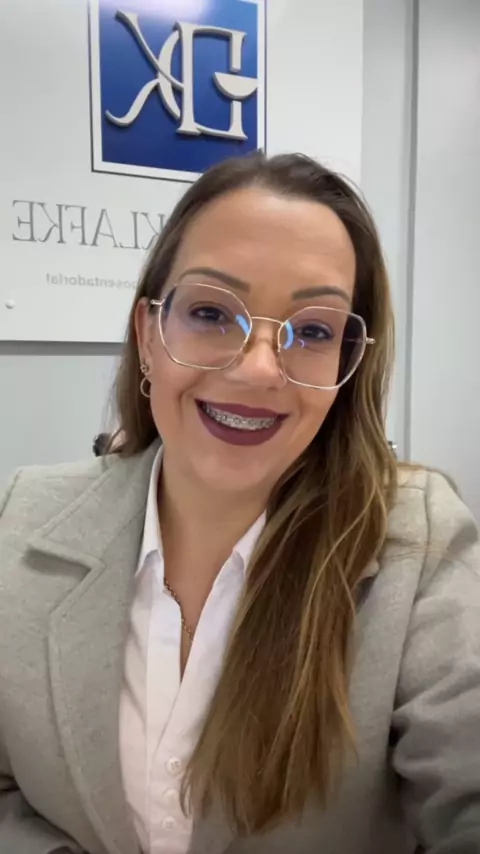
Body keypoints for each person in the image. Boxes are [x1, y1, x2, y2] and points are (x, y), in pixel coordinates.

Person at [1, 152, 479, 854]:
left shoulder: (420, 544)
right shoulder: (24, 518)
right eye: (210, 313)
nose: (258, 369)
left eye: (312, 331)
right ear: (149, 334)